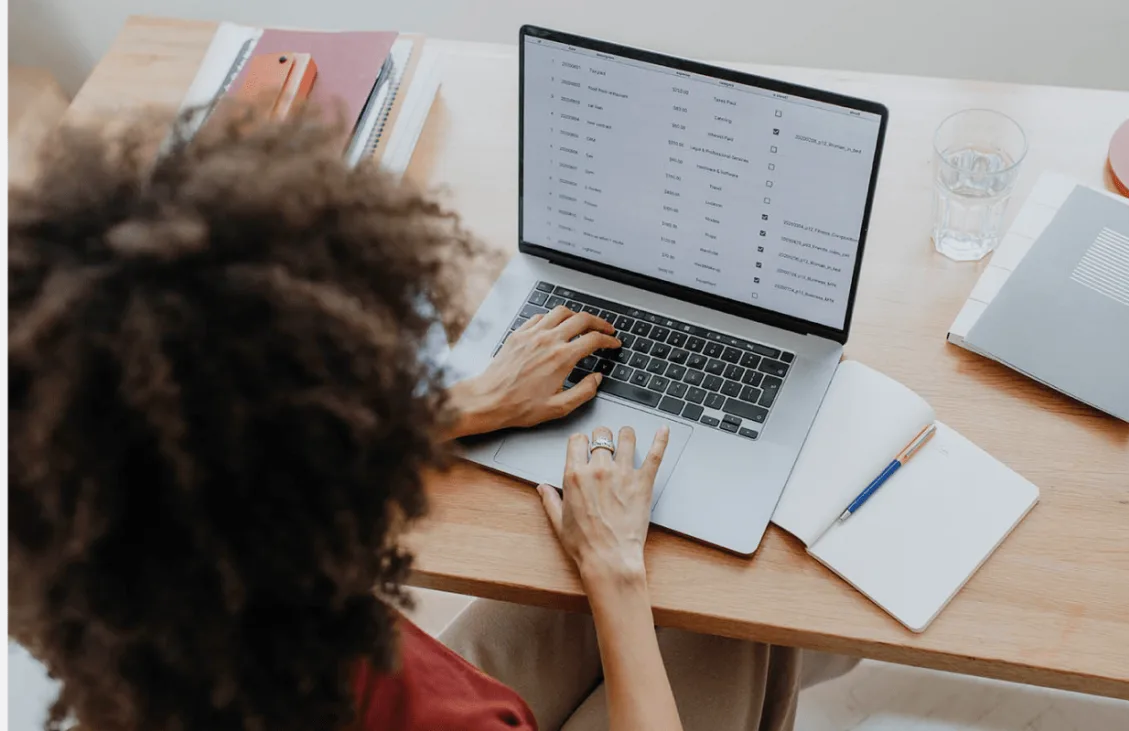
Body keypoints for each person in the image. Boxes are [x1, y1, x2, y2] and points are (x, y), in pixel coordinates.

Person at [6, 107, 856, 731]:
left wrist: (469, 403)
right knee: (722, 611)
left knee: (707, 585)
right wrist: (615, 571)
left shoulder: (119, 594)